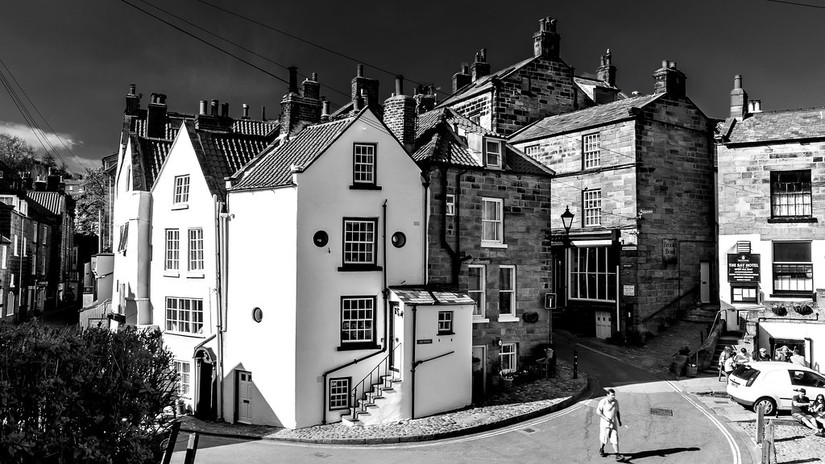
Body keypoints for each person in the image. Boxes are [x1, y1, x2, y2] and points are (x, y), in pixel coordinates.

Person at [596, 389, 624, 460]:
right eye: (612, 395)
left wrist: (619, 420)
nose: (613, 396)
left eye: (614, 395)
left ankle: (617, 454)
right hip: (605, 424)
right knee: (604, 438)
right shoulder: (603, 402)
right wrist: (605, 418)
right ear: (607, 395)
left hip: (613, 423)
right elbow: (598, 412)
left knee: (615, 438)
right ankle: (601, 449)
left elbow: (617, 411)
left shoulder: (615, 402)